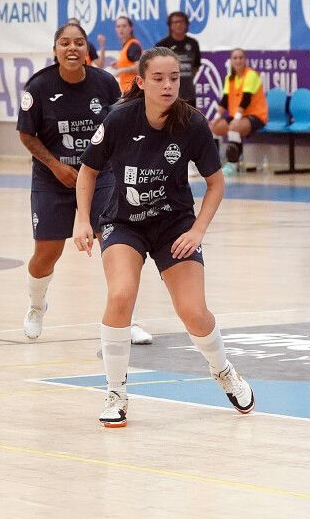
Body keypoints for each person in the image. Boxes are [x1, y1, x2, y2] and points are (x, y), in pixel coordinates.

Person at [73, 46, 255, 428]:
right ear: (140, 82)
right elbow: (88, 171)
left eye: (174, 78)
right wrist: (82, 220)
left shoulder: (192, 124)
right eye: (158, 78)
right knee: (121, 294)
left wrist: (197, 230)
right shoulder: (120, 118)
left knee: (193, 312)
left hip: (174, 225)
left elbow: (216, 183)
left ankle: (223, 371)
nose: (168, 84)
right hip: (124, 223)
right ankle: (116, 392)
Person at [16, 23, 151, 345]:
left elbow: (120, 124)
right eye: (65, 43)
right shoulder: (39, 86)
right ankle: (36, 306)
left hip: (100, 175)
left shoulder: (104, 83)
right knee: (47, 253)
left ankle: (125, 319)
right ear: (55, 49)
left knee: (116, 244)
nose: (72, 48)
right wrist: (55, 165)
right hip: (52, 179)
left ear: (86, 49)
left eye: (78, 42)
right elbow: (26, 134)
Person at [209, 48, 267, 172]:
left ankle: (233, 163)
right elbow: (224, 101)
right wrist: (216, 118)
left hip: (256, 116)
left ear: (245, 60)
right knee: (213, 127)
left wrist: (236, 119)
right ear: (231, 60)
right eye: (235, 58)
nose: (238, 60)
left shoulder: (251, 75)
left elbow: (246, 100)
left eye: (241, 57)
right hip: (238, 116)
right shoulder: (229, 78)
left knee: (234, 127)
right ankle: (213, 163)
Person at [156, 12, 201, 108]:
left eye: (181, 22)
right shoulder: (162, 45)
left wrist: (184, 76)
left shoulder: (193, 43)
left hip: (189, 94)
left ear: (186, 24)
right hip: (168, 94)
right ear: (170, 25)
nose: (179, 25)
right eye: (175, 22)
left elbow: (196, 67)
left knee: (190, 122)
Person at [110, 16, 143, 95]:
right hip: (127, 91)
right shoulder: (127, 45)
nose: (121, 29)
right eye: (118, 26)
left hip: (134, 91)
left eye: (124, 26)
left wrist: (121, 70)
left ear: (131, 28)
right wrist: (118, 65)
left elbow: (138, 68)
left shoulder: (133, 45)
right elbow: (130, 64)